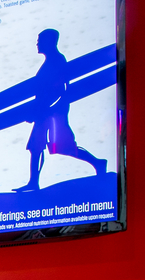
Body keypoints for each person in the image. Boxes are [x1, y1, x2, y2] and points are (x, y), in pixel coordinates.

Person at [16, 29, 108, 192]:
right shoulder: (50, 62)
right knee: (36, 146)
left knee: (64, 146)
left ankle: (98, 163)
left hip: (53, 113)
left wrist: (46, 109)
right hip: (45, 112)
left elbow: (61, 89)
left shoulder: (57, 61)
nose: (37, 43)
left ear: (49, 41)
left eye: (40, 40)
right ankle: (33, 183)